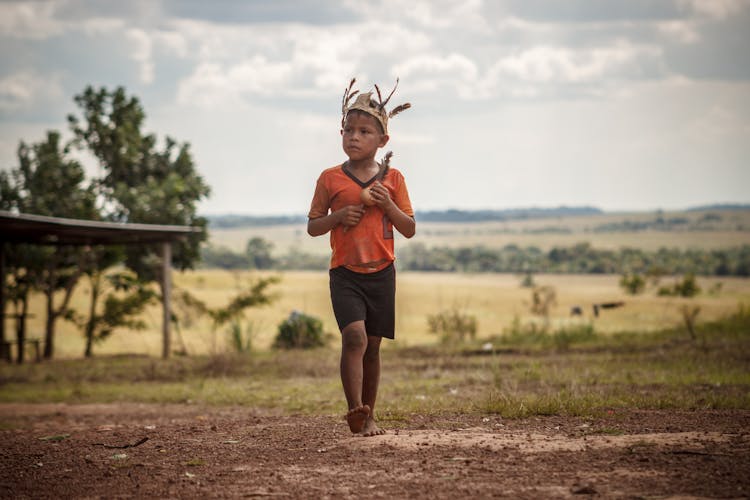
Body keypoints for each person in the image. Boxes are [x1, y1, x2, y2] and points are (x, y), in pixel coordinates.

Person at [307, 78, 415, 436]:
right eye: (349, 130)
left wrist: (387, 205)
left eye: (364, 131)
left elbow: (409, 228)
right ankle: (355, 410)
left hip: (382, 272)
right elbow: (313, 227)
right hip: (346, 273)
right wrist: (338, 218)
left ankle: (370, 415)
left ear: (382, 140)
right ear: (341, 132)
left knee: (372, 347)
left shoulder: (393, 179)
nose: (354, 136)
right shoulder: (329, 179)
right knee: (354, 338)